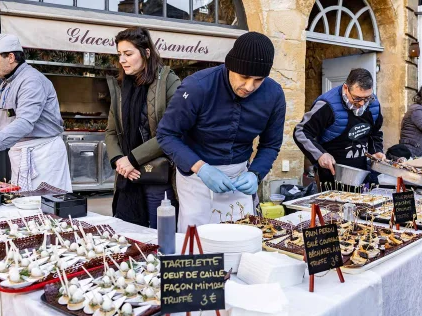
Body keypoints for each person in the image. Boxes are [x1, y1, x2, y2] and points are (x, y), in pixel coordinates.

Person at [156, 32, 286, 232]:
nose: (249, 87)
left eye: (258, 80)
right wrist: (201, 168)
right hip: (196, 177)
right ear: (230, 66)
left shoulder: (274, 95)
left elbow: (270, 144)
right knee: (196, 244)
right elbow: (166, 135)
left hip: (240, 176)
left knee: (240, 241)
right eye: (244, 77)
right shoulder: (197, 86)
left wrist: (256, 174)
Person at [0, 34, 71, 192]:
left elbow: (24, 123)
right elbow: (7, 124)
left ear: (10, 57)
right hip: (23, 154)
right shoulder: (7, 83)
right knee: (24, 205)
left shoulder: (32, 81)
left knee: (48, 207)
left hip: (43, 155)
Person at [105, 27, 181, 228]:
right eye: (119, 54)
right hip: (126, 177)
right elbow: (111, 131)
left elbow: (171, 131)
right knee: (128, 238)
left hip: (158, 175)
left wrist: (131, 159)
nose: (122, 60)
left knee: (161, 237)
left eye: (128, 54)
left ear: (146, 53)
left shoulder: (168, 81)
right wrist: (119, 162)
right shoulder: (120, 87)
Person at [293, 68, 384, 188]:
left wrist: (376, 151)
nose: (362, 103)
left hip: (364, 173)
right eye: (357, 98)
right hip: (333, 175)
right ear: (346, 88)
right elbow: (301, 131)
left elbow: (375, 133)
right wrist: (320, 154)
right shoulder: (327, 105)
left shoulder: (373, 104)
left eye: (366, 98)